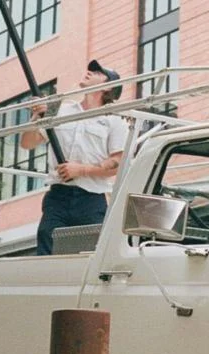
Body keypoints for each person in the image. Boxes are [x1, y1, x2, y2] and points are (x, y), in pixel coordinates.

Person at [22, 59, 129, 256]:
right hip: (58, 196)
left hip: (91, 199)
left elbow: (118, 164)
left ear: (108, 87)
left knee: (91, 254)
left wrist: (81, 170)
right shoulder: (60, 109)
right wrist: (37, 117)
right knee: (47, 245)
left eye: (97, 72)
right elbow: (27, 143)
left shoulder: (114, 120)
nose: (89, 72)